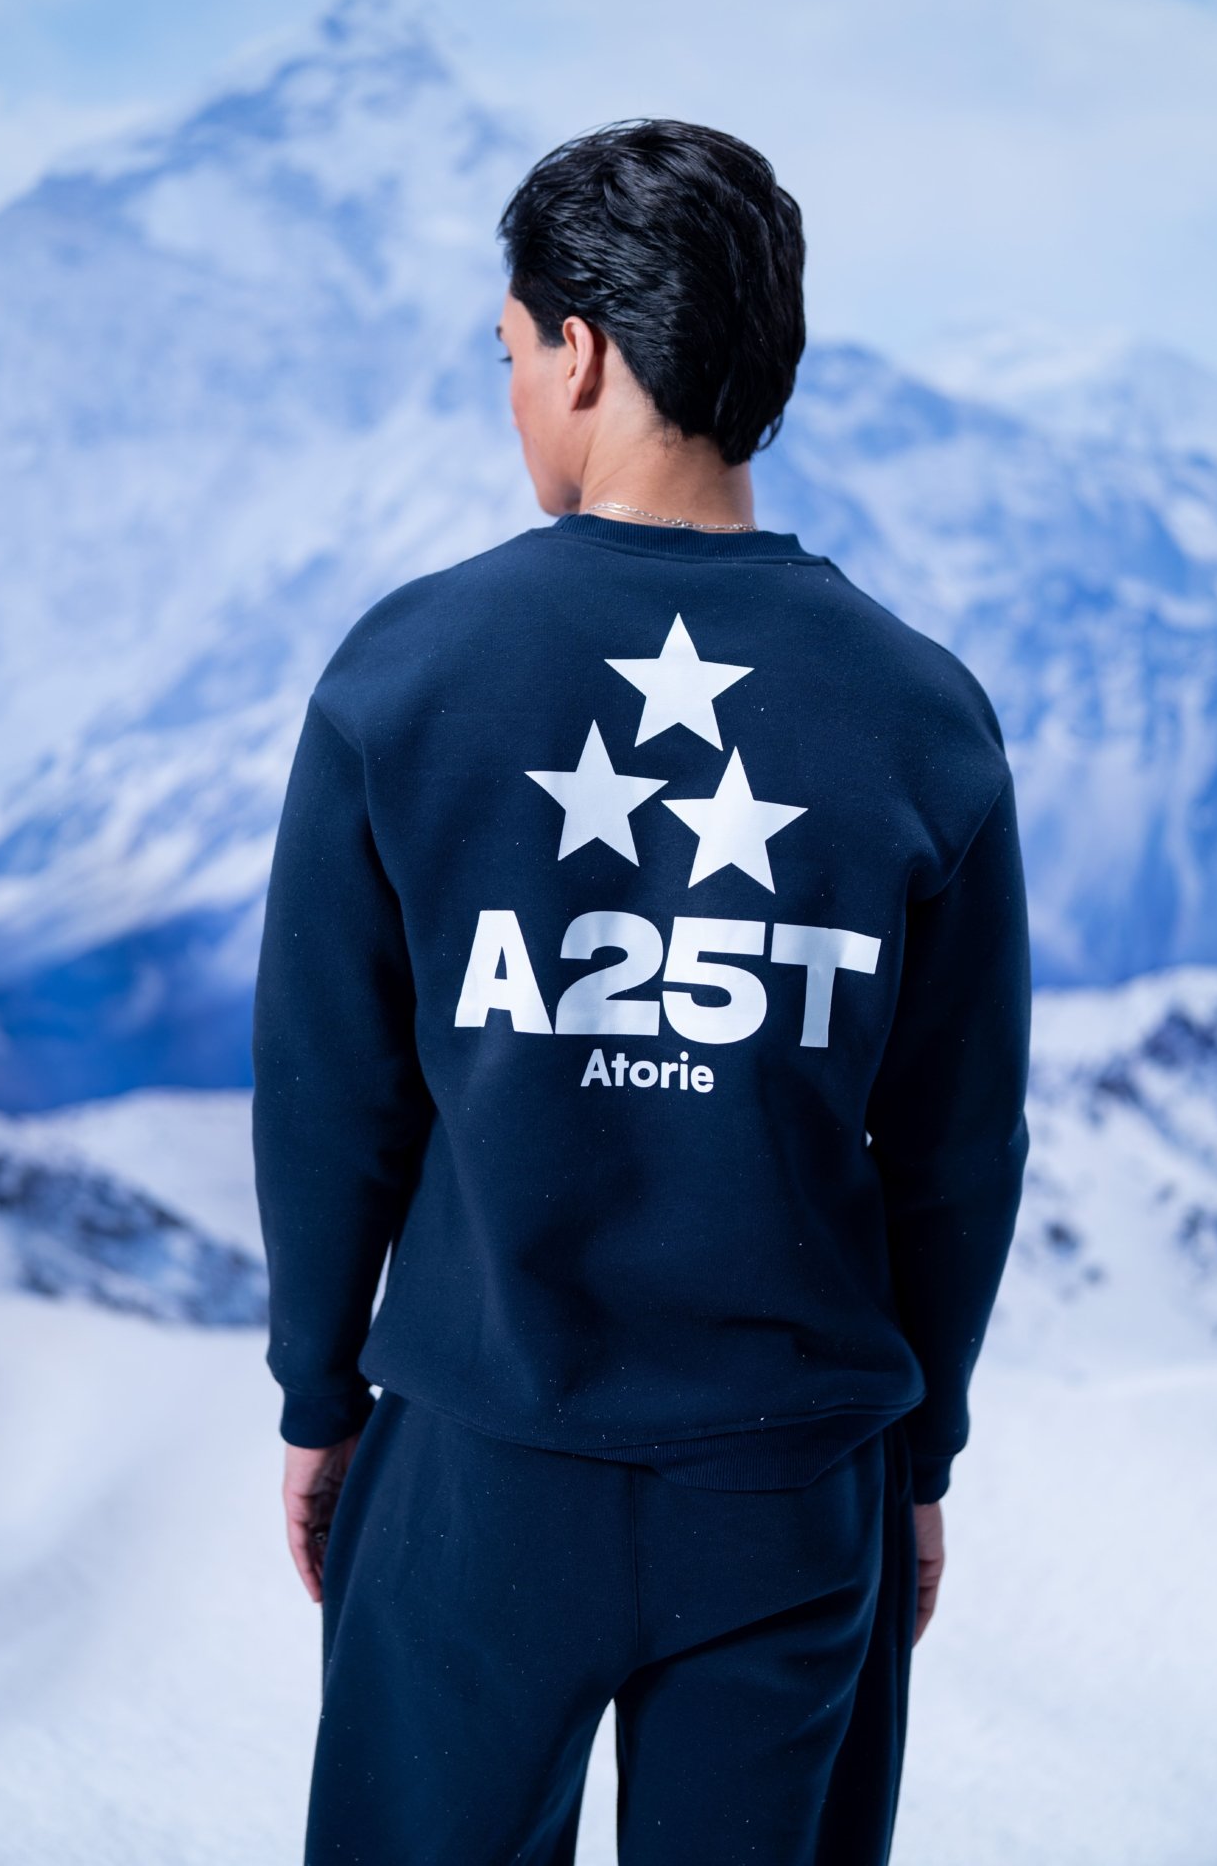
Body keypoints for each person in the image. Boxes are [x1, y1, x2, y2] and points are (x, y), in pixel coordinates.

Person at [251, 118, 1032, 1865]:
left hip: (472, 1465)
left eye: (510, 354)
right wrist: (920, 1459)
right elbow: (958, 1147)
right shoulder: (922, 713)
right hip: (795, 1484)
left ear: (581, 351)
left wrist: (317, 1399)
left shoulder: (405, 671)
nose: (516, 393)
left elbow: (327, 1090)